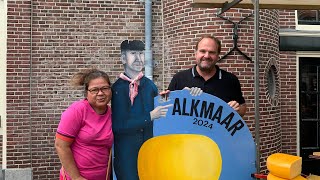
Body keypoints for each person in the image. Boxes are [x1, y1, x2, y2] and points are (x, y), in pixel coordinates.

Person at [111, 40, 172, 180]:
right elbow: (119, 125)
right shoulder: (118, 89)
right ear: (123, 58)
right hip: (127, 156)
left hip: (149, 152)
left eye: (141, 54)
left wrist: (167, 99)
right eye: (133, 53)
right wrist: (149, 116)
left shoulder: (150, 86)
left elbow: (159, 118)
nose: (138, 58)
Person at [166, 35, 247, 117]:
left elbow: (242, 108)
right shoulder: (179, 78)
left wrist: (237, 109)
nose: (207, 56)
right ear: (196, 53)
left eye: (212, 52)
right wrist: (178, 97)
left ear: (218, 55)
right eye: (202, 51)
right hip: (186, 130)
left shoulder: (231, 80)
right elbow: (166, 108)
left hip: (218, 130)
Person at [55, 68, 114, 180]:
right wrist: (76, 177)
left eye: (105, 88)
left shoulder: (112, 114)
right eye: (94, 90)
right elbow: (61, 146)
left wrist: (156, 97)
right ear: (86, 92)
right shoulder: (77, 111)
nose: (100, 93)